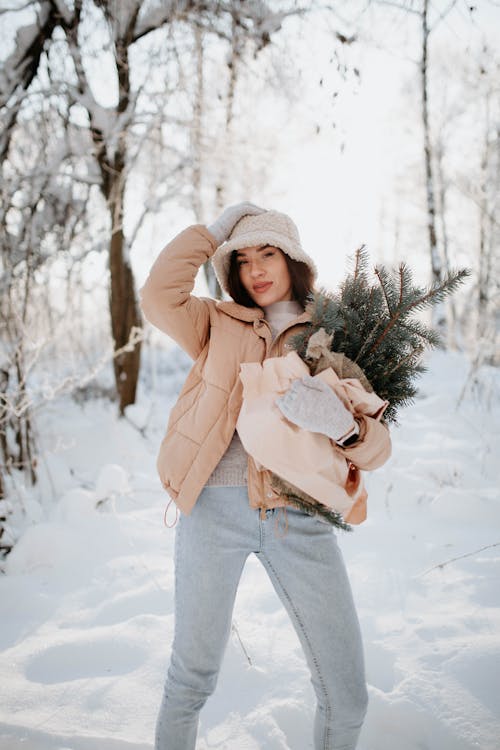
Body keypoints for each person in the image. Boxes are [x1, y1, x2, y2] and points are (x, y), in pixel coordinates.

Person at [139, 202, 391, 750]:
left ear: (293, 260)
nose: (255, 269)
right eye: (244, 258)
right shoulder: (215, 323)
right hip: (213, 510)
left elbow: (377, 448)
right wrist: (213, 232)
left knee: (347, 696)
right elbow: (159, 297)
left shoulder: (335, 334)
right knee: (190, 680)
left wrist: (346, 429)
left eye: (268, 254)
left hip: (299, 519)